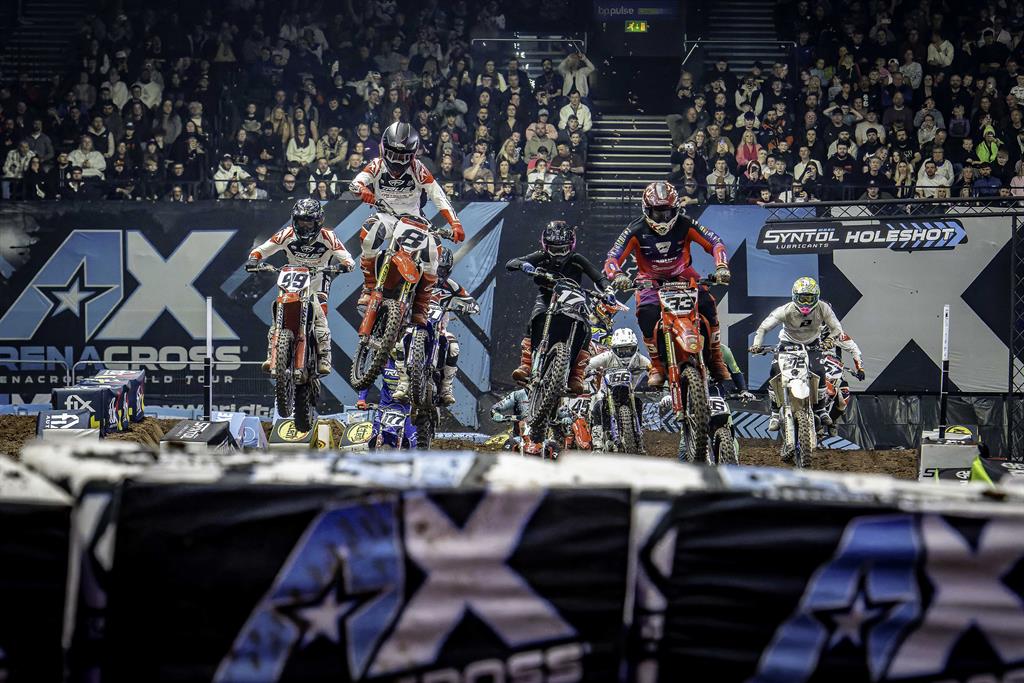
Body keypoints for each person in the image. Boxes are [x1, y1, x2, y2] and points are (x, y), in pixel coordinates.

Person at [604, 181, 732, 387]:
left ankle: (716, 359)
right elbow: (612, 257)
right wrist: (617, 275)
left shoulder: (685, 223)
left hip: (683, 275)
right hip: (649, 280)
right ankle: (656, 365)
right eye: (657, 213)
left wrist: (722, 267)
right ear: (646, 210)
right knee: (646, 313)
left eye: (668, 212)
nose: (663, 218)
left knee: (708, 304)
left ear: (676, 209)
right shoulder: (635, 229)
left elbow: (715, 242)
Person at [349, 122, 464, 327]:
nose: (397, 160)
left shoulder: (418, 168)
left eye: (403, 157)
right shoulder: (376, 165)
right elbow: (356, 182)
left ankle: (421, 307)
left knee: (433, 252)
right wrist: (361, 190)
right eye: (393, 154)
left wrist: (455, 223)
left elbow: (438, 195)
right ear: (384, 148)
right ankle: (369, 287)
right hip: (386, 214)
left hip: (414, 219)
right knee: (369, 233)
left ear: (412, 154)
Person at [245, 199, 355, 375]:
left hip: (318, 278)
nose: (304, 226)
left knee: (319, 314)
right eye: (301, 221)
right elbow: (261, 250)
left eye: (309, 222)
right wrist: (253, 260)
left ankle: (324, 356)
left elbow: (347, 257)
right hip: (292, 277)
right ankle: (272, 354)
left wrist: (345, 265)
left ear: (318, 222)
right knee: (278, 311)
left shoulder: (328, 236)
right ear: (294, 220)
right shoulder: (286, 234)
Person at [506, 221, 613, 395]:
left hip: (573, 299)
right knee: (534, 319)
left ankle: (576, 375)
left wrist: (608, 290)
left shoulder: (576, 259)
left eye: (562, 249)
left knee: (586, 329)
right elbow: (511, 263)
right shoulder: (541, 256)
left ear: (570, 246)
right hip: (547, 297)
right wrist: (523, 265)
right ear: (545, 245)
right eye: (554, 249)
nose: (558, 254)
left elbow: (598, 277)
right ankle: (526, 365)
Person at [749, 277, 860, 430]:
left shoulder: (823, 308)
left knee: (819, 371)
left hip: (812, 344)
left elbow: (837, 329)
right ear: (795, 297)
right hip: (788, 344)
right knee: (775, 371)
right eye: (803, 298)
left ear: (817, 297)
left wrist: (829, 340)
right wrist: (756, 345)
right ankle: (774, 413)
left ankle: (821, 409)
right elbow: (763, 328)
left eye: (810, 298)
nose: (806, 303)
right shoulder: (785, 310)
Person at [585, 328, 651, 451]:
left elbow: (653, 370)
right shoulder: (607, 356)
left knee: (638, 402)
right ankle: (597, 440)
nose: (625, 353)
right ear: (614, 349)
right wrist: (585, 371)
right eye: (621, 350)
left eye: (628, 349)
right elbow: (589, 364)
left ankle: (638, 432)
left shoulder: (640, 358)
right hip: (606, 392)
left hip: (629, 392)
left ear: (635, 348)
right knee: (598, 403)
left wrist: (655, 377)